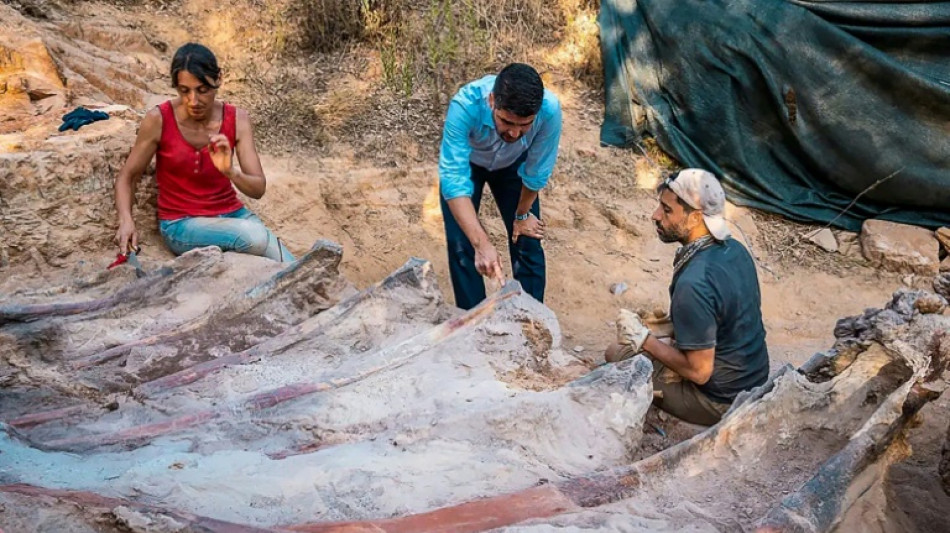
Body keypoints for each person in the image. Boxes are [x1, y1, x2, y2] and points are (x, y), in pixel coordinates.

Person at [605, 169, 769, 425]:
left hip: (721, 400)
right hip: (754, 378)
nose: (655, 216)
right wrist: (671, 326)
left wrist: (644, 340)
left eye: (667, 210)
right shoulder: (735, 250)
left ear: (695, 217)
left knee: (616, 352)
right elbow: (723, 314)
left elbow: (699, 372)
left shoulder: (694, 284)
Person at [114, 42, 294, 262]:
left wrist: (230, 171)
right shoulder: (159, 119)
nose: (193, 100)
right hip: (181, 224)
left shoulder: (237, 119)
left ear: (218, 79)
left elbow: (258, 189)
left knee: (294, 267)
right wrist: (126, 220)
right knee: (256, 237)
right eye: (184, 91)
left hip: (234, 216)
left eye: (202, 90)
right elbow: (128, 176)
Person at [439, 63, 562, 309]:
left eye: (524, 125)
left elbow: (536, 172)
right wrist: (481, 243)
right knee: (463, 244)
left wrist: (522, 215)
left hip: (514, 165)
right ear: (492, 100)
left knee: (527, 238)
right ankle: (473, 320)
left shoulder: (549, 111)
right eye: (507, 121)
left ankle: (531, 318)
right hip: (469, 164)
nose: (514, 133)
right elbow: (453, 181)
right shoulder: (465, 106)